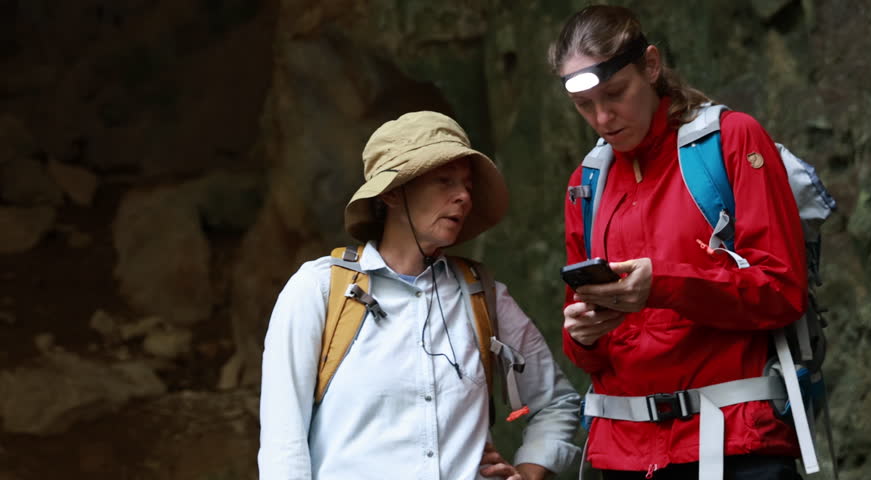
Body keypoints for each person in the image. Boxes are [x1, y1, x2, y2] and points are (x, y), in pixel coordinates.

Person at [549, 5, 808, 480]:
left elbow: (783, 289)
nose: (603, 117)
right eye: (585, 106)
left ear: (651, 66)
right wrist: (582, 335)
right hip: (624, 453)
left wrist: (664, 284)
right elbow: (587, 352)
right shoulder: (587, 184)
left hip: (735, 442)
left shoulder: (731, 140)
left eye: (616, 93)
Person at [257, 111, 581, 480]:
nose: (463, 197)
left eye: (468, 186)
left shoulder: (482, 294)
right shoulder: (318, 290)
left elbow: (556, 403)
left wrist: (529, 471)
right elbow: (284, 446)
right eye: (444, 181)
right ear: (393, 192)